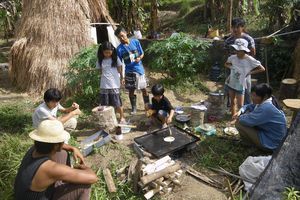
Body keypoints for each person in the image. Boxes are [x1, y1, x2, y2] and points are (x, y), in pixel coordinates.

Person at [14, 120, 98, 200]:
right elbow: (93, 178)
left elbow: (56, 145)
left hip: (25, 194)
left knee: (62, 153)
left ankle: (65, 179)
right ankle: (68, 178)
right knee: (84, 186)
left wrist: (72, 148)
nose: (63, 143)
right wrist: (83, 167)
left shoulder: (34, 148)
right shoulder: (49, 168)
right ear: (56, 146)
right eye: (62, 141)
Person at [233, 83, 287, 152]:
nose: (252, 97)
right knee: (247, 114)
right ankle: (252, 142)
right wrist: (240, 111)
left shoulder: (266, 108)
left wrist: (240, 116)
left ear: (265, 96)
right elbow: (249, 106)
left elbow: (244, 120)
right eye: (252, 94)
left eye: (255, 95)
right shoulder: (268, 101)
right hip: (272, 137)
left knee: (239, 123)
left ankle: (249, 144)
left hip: (272, 143)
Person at [225, 38, 265, 117]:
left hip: (241, 84)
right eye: (236, 49)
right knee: (232, 102)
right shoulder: (233, 57)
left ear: (244, 50)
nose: (237, 52)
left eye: (239, 50)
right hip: (232, 82)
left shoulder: (249, 59)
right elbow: (226, 64)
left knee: (240, 105)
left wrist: (249, 73)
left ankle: (240, 119)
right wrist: (232, 68)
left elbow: (262, 68)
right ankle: (233, 118)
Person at [114, 26, 149, 114]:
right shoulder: (119, 49)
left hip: (139, 69)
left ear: (126, 33)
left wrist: (139, 58)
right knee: (131, 90)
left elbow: (142, 53)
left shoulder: (135, 42)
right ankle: (134, 108)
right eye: (119, 37)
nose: (121, 38)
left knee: (144, 89)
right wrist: (122, 76)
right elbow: (120, 64)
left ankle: (147, 106)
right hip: (129, 71)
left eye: (122, 35)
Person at [224, 17, 256, 105]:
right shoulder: (228, 41)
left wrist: (247, 66)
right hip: (232, 68)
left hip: (245, 68)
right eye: (233, 27)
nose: (235, 29)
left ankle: (247, 107)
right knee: (230, 86)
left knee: (246, 88)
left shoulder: (248, 39)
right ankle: (231, 106)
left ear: (242, 27)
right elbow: (227, 54)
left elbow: (253, 52)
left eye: (237, 27)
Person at [96, 41, 126, 123]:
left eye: (109, 52)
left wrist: (122, 78)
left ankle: (122, 118)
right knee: (105, 104)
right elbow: (99, 71)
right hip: (104, 85)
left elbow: (120, 69)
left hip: (114, 84)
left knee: (117, 103)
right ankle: (108, 120)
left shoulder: (115, 59)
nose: (108, 54)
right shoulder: (100, 60)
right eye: (106, 53)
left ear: (112, 51)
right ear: (102, 52)